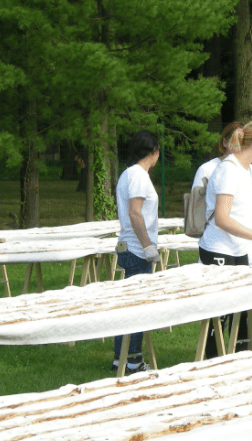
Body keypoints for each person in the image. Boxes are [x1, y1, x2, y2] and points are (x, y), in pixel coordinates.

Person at [198, 120, 252, 357]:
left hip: (239, 251)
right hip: (218, 250)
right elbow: (222, 218)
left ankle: (239, 363)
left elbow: (245, 217)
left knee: (243, 313)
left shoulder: (249, 171)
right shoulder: (228, 170)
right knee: (219, 316)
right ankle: (211, 365)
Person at [112, 130, 161, 374]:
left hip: (130, 247)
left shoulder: (129, 173)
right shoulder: (138, 175)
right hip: (136, 249)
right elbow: (135, 212)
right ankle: (133, 361)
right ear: (154, 152)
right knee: (138, 307)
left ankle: (119, 357)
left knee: (128, 305)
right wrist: (147, 246)